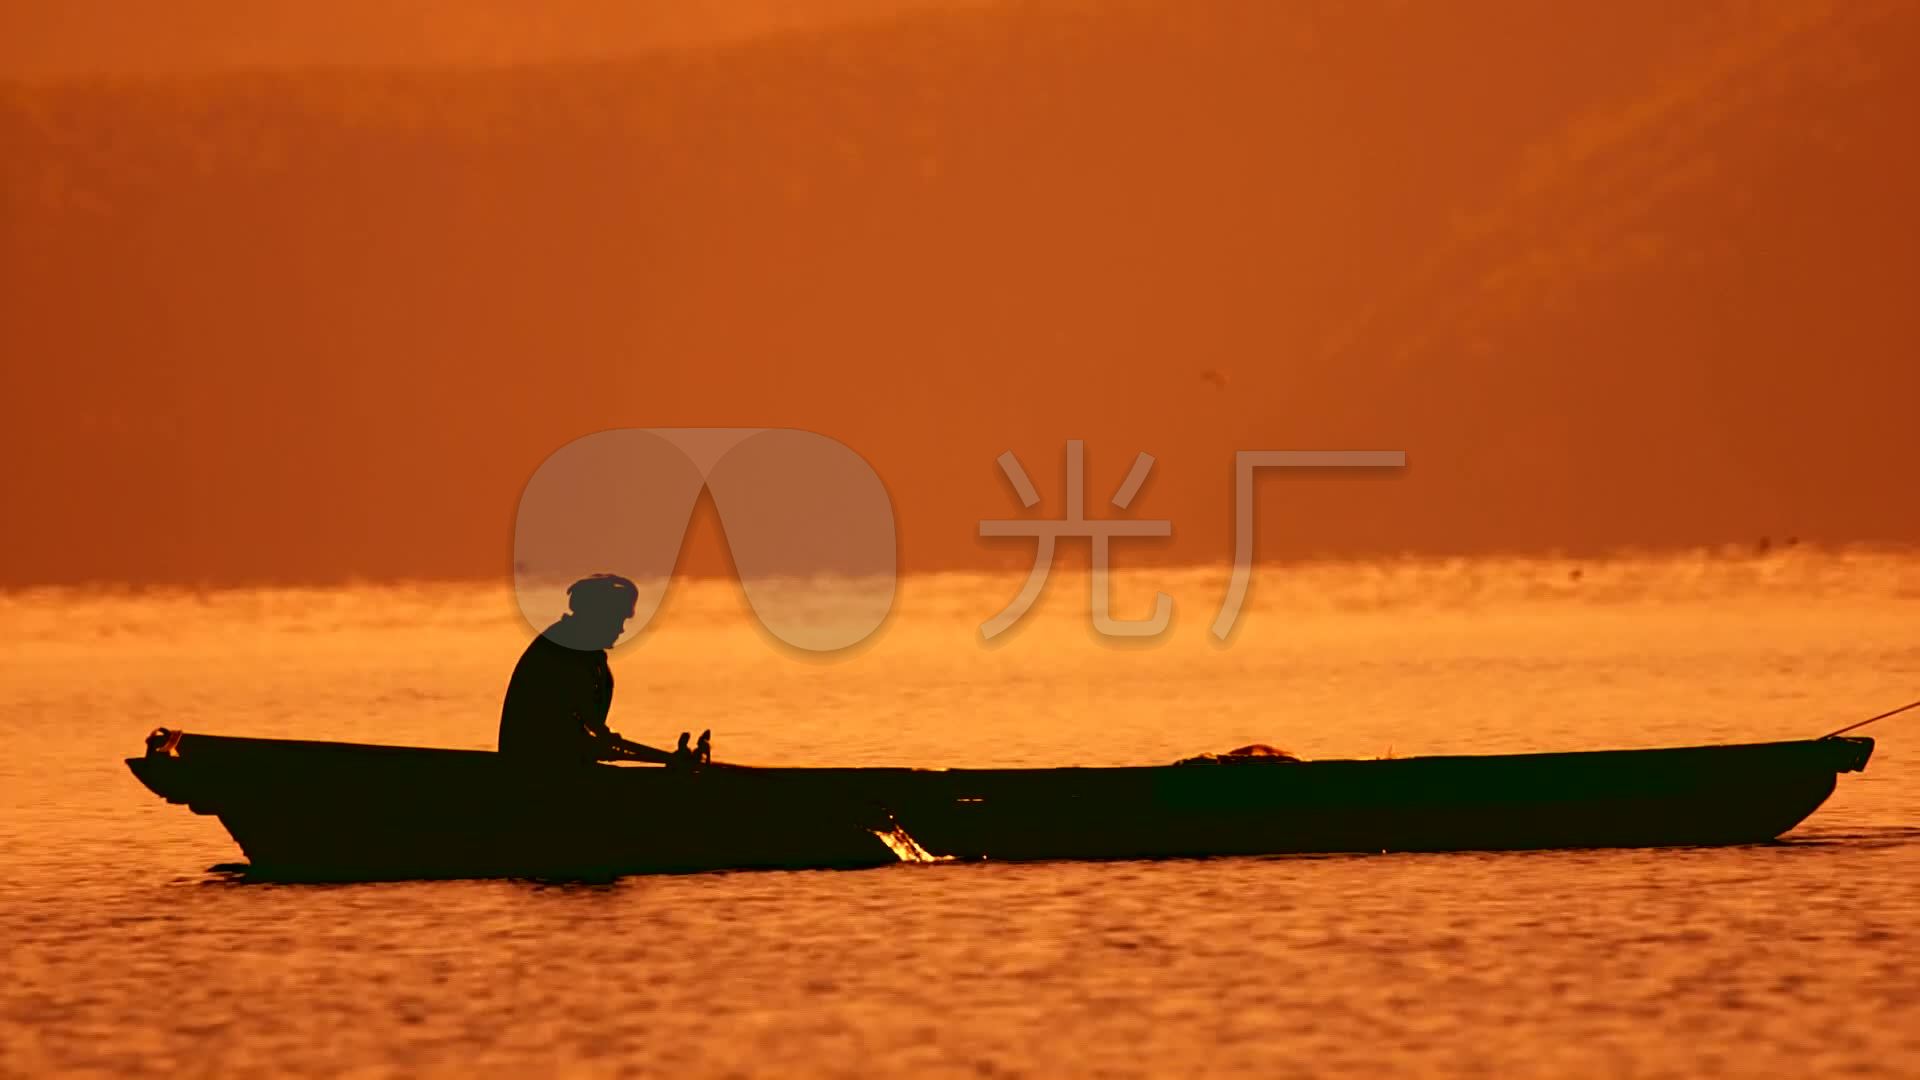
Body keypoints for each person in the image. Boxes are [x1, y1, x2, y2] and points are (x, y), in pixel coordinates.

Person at [498, 574, 708, 767]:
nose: (621, 629)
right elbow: (573, 727)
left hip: (554, 758)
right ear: (598, 616)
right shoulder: (566, 649)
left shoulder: (581, 649)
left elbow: (585, 730)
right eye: (618, 619)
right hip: (536, 764)